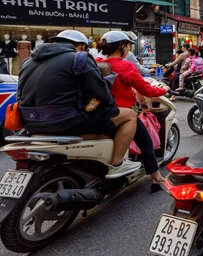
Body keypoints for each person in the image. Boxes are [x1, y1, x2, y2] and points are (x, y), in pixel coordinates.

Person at [17, 30, 140, 178]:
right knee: (130, 115)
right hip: (67, 122)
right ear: (81, 46)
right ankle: (117, 164)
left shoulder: (27, 62)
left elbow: (20, 95)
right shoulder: (79, 58)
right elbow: (103, 95)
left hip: (30, 124)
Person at [96, 31, 168, 187]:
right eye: (128, 46)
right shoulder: (124, 65)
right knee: (146, 143)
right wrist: (164, 90)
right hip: (122, 114)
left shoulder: (96, 62)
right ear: (122, 46)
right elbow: (147, 90)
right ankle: (155, 177)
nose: (129, 49)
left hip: (98, 112)